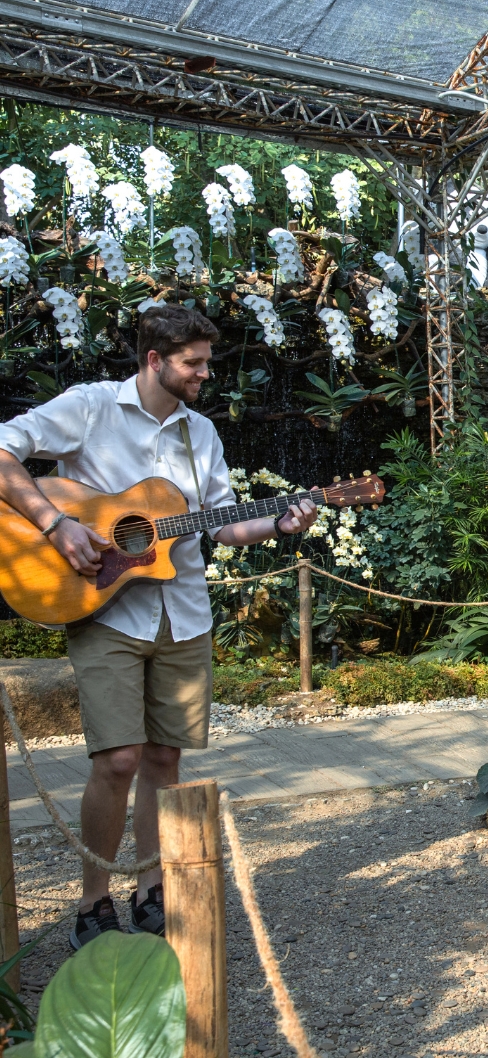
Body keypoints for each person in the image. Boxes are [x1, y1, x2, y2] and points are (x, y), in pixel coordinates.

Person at [0, 305, 318, 949]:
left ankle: (152, 888)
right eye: (192, 363)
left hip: (185, 612)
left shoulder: (200, 434)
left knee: (163, 759)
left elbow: (223, 524)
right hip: (105, 609)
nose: (205, 374)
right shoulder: (90, 407)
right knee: (117, 759)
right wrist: (55, 523)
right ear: (153, 360)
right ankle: (93, 901)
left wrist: (282, 522)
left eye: (207, 361)